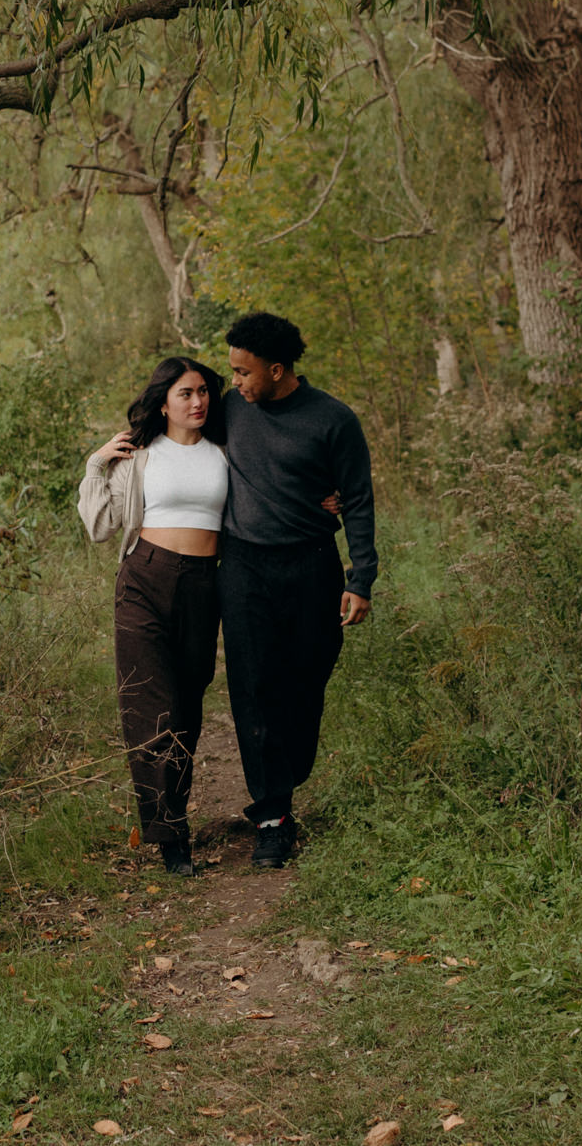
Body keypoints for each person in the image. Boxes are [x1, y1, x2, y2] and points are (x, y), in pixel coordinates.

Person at [220, 311, 376, 868]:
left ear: (278, 369)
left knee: (307, 678)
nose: (233, 381)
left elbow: (356, 498)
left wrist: (361, 578)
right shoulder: (230, 409)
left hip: (312, 565)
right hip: (242, 567)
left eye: (243, 371)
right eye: (232, 370)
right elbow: (177, 432)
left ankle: (283, 778)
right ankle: (272, 816)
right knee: (254, 686)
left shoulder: (333, 420)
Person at [78, 357, 228, 876]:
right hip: (144, 578)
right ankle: (169, 836)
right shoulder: (140, 457)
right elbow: (100, 526)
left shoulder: (226, 454)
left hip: (204, 585)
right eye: (186, 393)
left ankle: (175, 815)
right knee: (151, 704)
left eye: (204, 392)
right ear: (163, 401)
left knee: (186, 705)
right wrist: (97, 464)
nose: (198, 401)